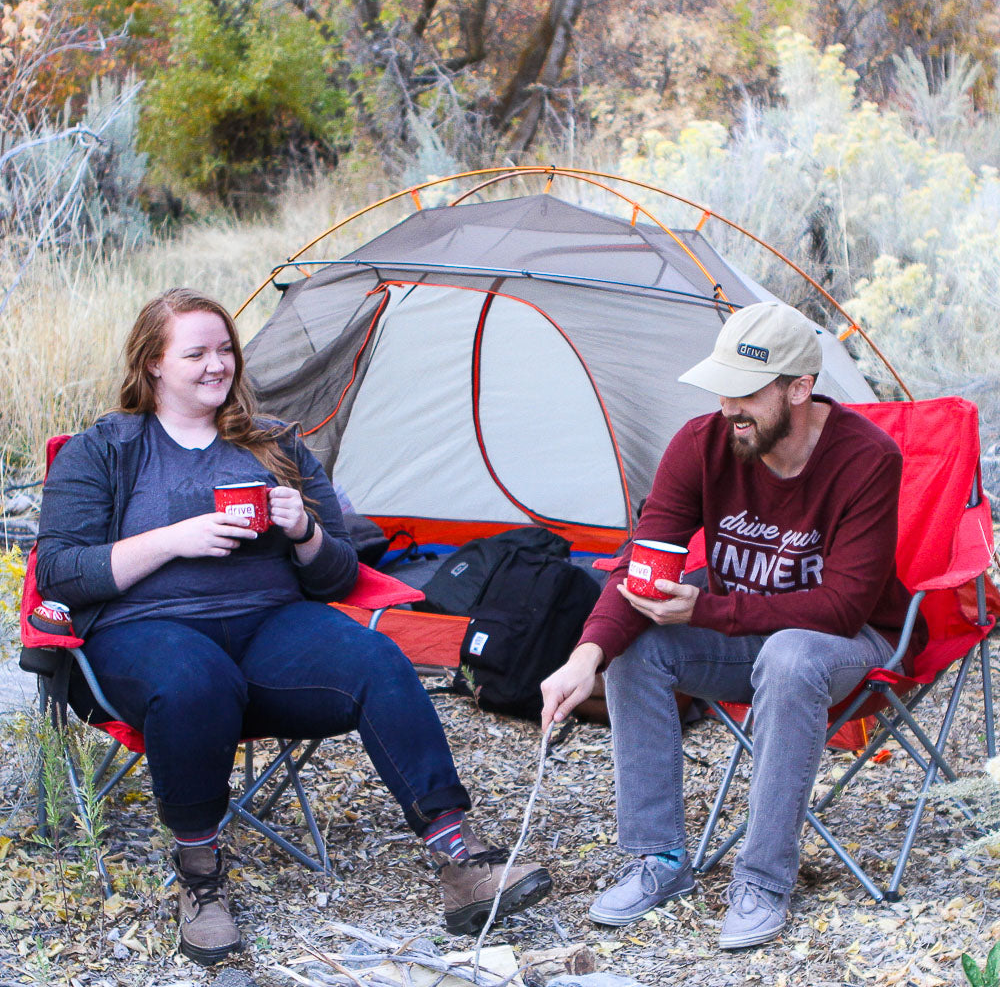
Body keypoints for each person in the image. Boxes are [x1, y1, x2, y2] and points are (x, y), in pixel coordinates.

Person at [36, 288, 551, 966]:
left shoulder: (274, 444)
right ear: (153, 364)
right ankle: (200, 882)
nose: (217, 366)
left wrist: (303, 528)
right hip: (145, 632)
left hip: (272, 626)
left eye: (225, 350)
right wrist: (176, 538)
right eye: (196, 353)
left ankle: (460, 861)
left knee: (375, 658)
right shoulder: (104, 450)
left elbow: (337, 577)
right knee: (195, 679)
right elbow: (60, 571)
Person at [539, 301, 925, 950]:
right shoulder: (704, 443)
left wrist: (709, 608)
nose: (728, 408)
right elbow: (643, 563)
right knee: (639, 647)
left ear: (800, 387)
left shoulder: (866, 458)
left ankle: (765, 878)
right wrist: (586, 656)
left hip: (847, 644)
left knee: (791, 657)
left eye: (746, 392)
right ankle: (658, 860)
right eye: (723, 389)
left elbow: (843, 608)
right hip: (741, 629)